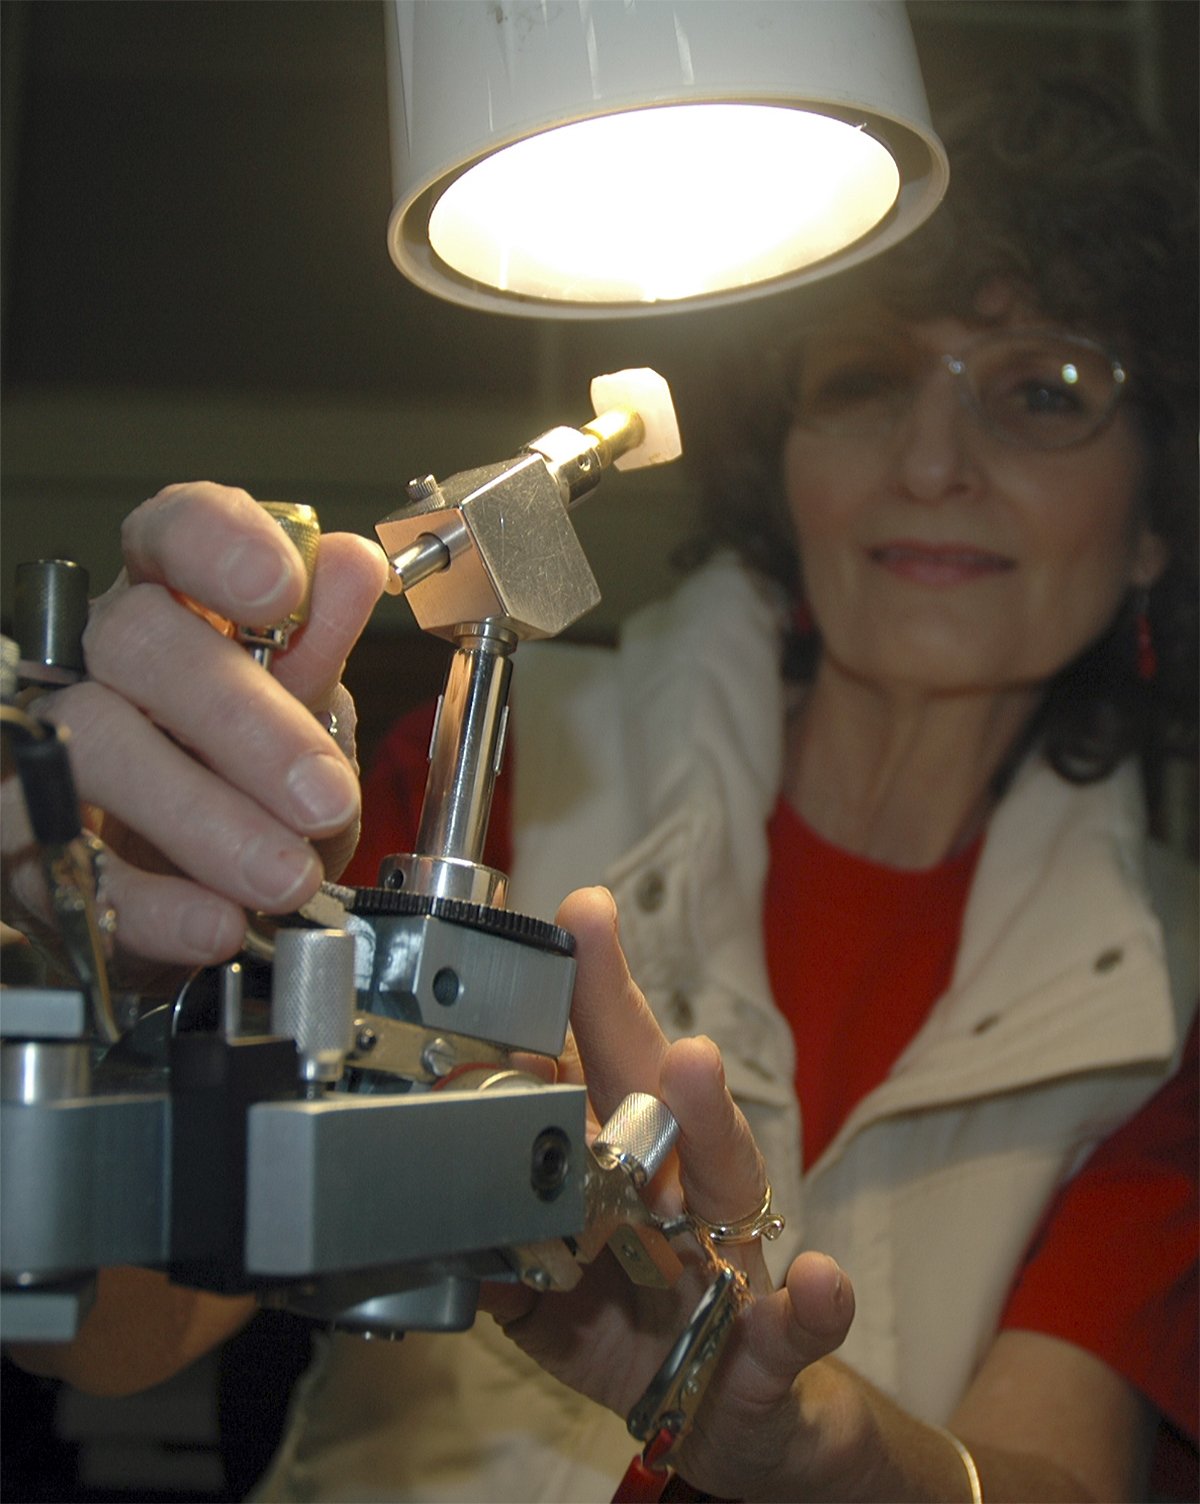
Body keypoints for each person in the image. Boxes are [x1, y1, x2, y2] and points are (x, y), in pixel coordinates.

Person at [3, 74, 1196, 1503]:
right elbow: (119, 1327)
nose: (933, 465)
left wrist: (825, 1451)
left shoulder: (1172, 992)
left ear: (1155, 517)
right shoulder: (478, 761)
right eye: (869, 378)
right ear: (785, 455)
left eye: (1042, 392)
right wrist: (94, 986)